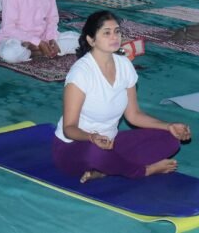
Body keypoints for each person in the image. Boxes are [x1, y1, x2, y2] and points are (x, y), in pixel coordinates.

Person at [53, 10, 190, 183]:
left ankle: (106, 170)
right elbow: (69, 128)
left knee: (171, 140)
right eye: (107, 33)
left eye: (117, 32)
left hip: (110, 142)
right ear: (91, 39)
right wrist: (92, 138)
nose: (114, 37)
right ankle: (143, 170)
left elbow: (133, 115)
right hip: (74, 147)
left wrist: (168, 126)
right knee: (97, 154)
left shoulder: (124, 65)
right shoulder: (80, 73)